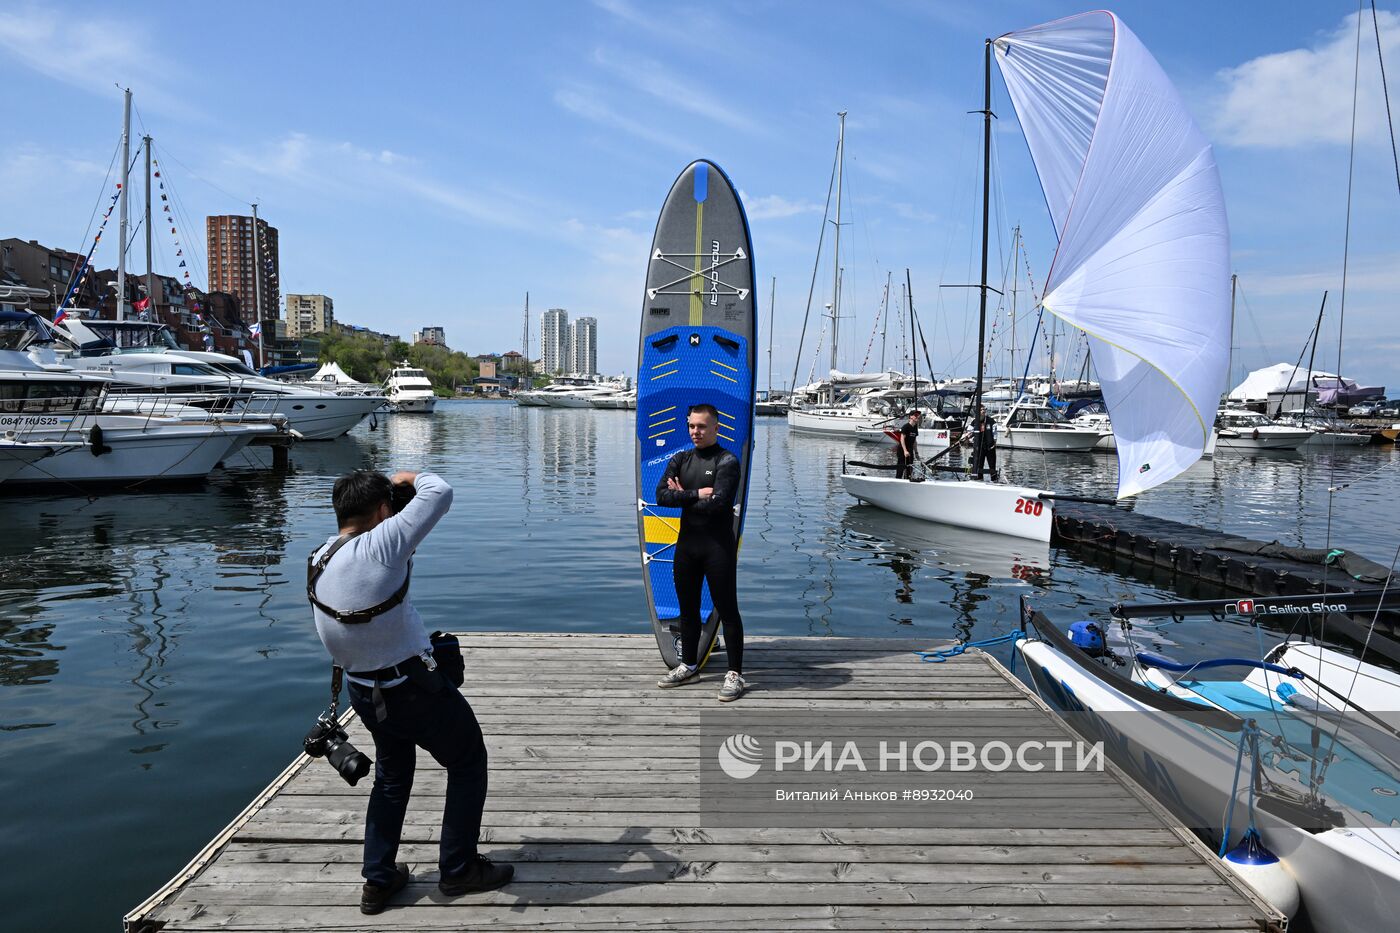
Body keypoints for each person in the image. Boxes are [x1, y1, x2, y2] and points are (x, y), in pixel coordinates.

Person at [310, 470, 512, 915]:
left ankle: (378, 879)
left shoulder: (321, 555)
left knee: (392, 778)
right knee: (467, 761)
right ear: (382, 512)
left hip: (364, 693)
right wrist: (409, 477)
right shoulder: (382, 545)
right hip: (411, 690)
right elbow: (440, 491)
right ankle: (459, 869)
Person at [654, 403, 748, 701]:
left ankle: (735, 674)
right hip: (687, 547)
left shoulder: (727, 461)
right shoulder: (681, 458)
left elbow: (719, 504)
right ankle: (689, 665)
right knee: (688, 609)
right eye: (692, 426)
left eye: (702, 426)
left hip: (718, 547)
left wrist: (681, 496)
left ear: (716, 428)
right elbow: (660, 496)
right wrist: (696, 494)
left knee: (728, 610)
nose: (696, 431)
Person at [968, 405, 1000, 481]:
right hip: (979, 447)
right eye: (981, 410)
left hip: (990, 447)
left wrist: (994, 442)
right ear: (978, 412)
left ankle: (994, 480)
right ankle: (980, 479)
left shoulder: (991, 421)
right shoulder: (975, 421)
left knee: (992, 466)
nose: (983, 411)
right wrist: (972, 441)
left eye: (984, 409)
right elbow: (969, 431)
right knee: (979, 465)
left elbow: (995, 432)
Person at [894, 409, 922, 480]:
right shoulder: (906, 427)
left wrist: (916, 452)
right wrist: (905, 451)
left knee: (909, 470)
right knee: (900, 469)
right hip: (902, 450)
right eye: (915, 415)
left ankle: (908, 481)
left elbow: (914, 441)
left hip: (910, 450)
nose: (917, 416)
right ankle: (897, 481)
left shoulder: (915, 427)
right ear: (911, 417)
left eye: (918, 415)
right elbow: (902, 439)